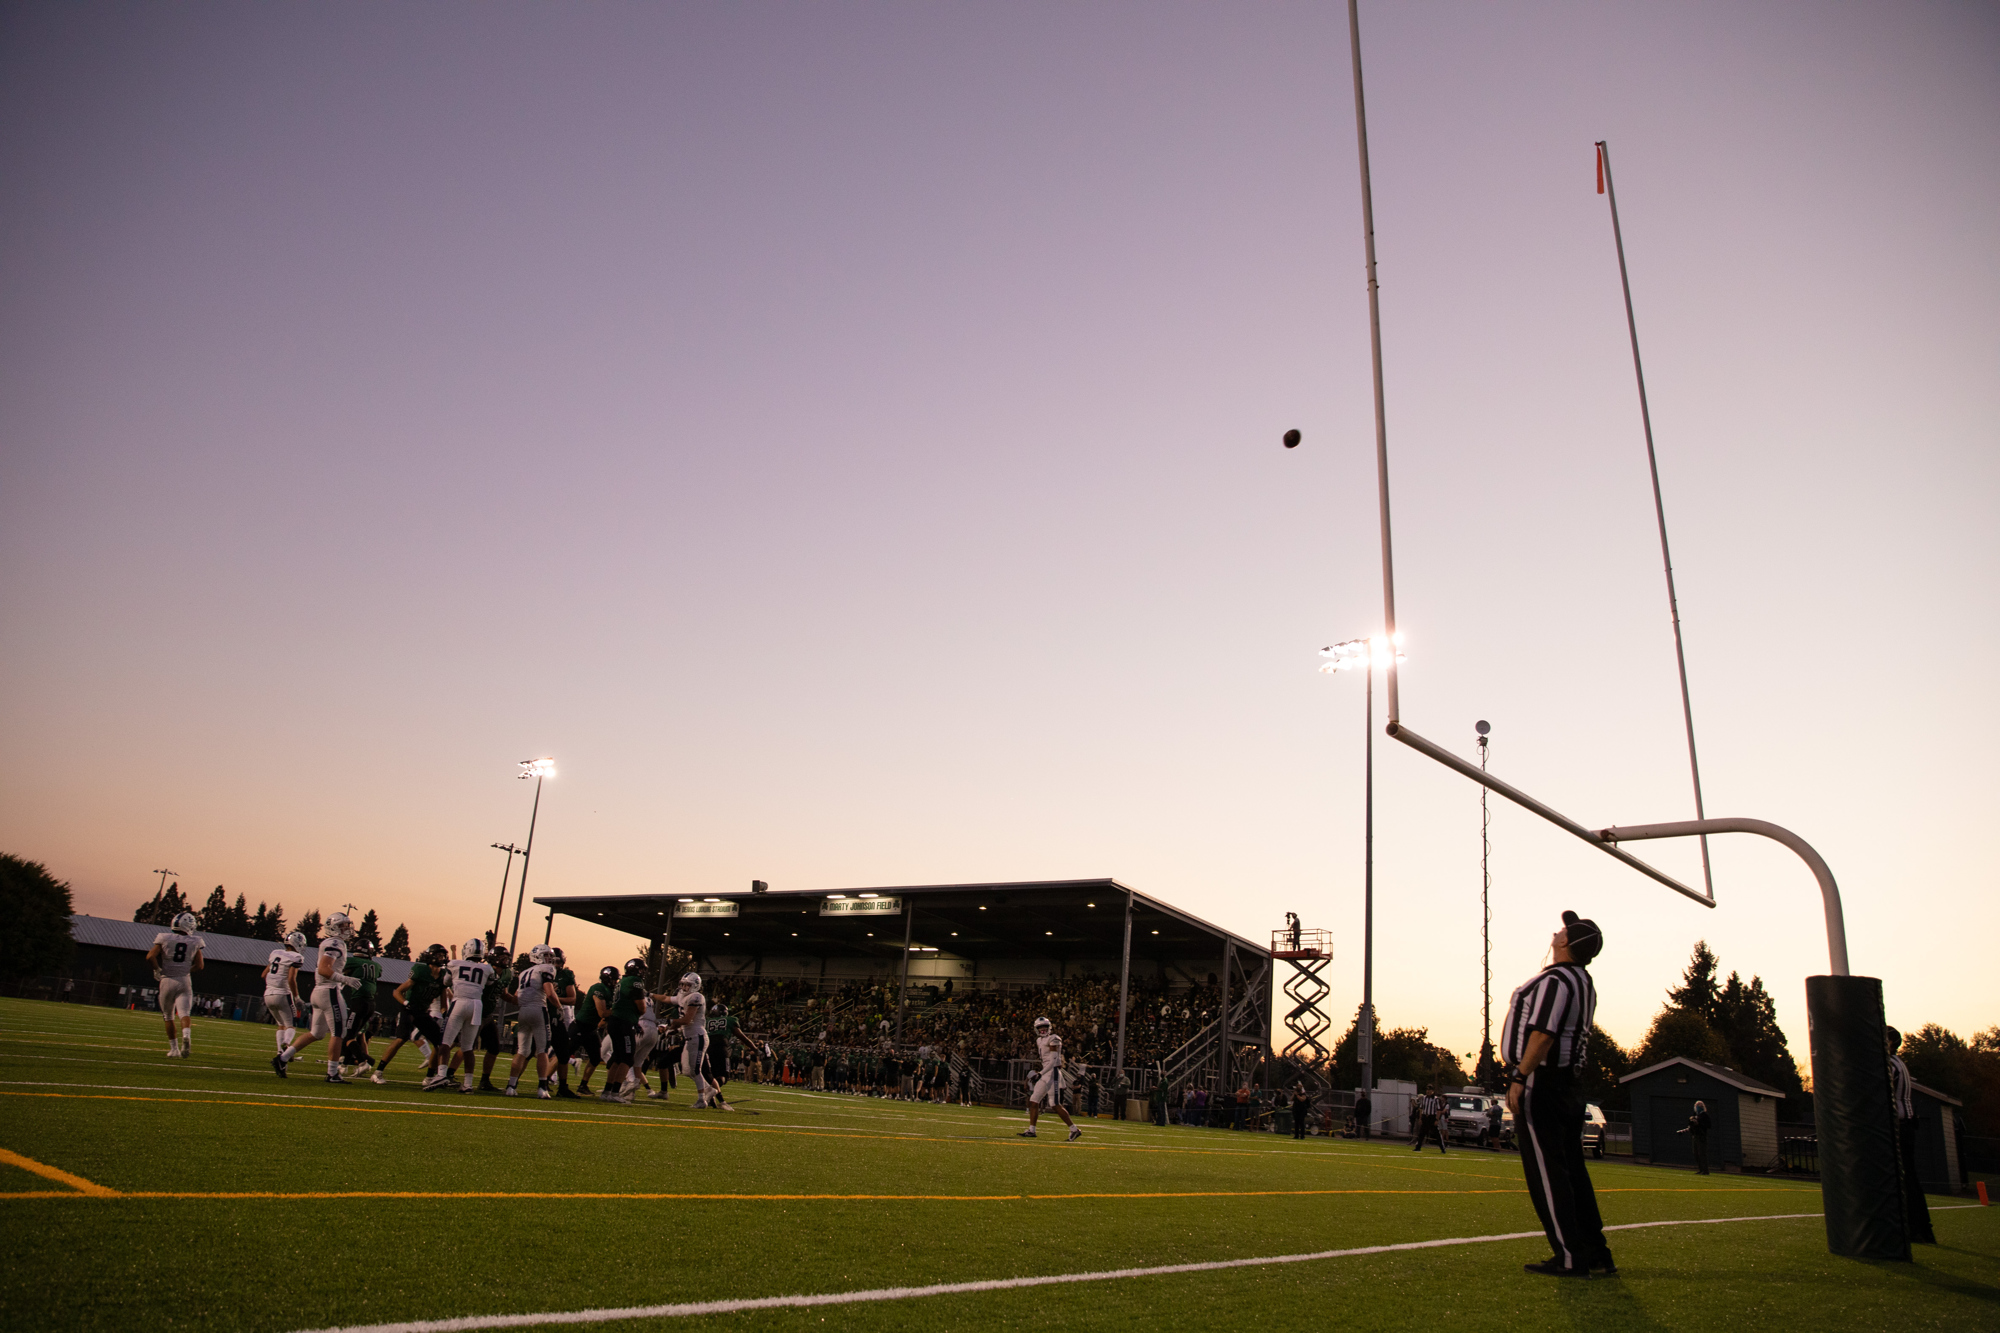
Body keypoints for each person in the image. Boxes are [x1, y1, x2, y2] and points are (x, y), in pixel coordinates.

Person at [1502, 909, 1611, 1278]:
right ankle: (1596, 1252)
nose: (1556, 931)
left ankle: (1569, 1255)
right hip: (1569, 1086)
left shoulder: (1556, 982)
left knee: (1548, 1174)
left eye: (1564, 930)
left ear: (1566, 942)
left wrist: (1519, 1075)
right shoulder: (1584, 981)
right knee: (1572, 1172)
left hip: (1543, 1082)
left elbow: (1543, 1034)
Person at [272, 912, 361, 1083]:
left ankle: (282, 1059)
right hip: (329, 991)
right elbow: (323, 969)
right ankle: (333, 1073)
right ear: (334, 927)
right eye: (343, 926)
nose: (347, 929)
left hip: (319, 992)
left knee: (316, 1033)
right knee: (338, 1033)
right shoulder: (335, 943)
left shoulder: (330, 942)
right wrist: (345, 979)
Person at [1887, 1027, 1936, 1244]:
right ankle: (1919, 1228)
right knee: (1907, 1178)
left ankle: (1917, 1228)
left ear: (1889, 1043)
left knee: (1904, 1178)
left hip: (1899, 1126)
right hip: (1905, 1124)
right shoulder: (1898, 1062)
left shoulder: (1889, 1064)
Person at [376, 943, 447, 1084]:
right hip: (409, 1008)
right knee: (401, 1038)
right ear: (431, 956)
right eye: (439, 955)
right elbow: (397, 991)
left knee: (439, 1043)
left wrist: (445, 1015)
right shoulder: (421, 970)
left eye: (443, 955)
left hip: (422, 1012)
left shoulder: (443, 975)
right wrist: (406, 1003)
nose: (442, 958)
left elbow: (444, 1003)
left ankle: (429, 1077)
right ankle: (378, 1072)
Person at [429, 938, 492, 1093]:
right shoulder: (487, 968)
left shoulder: (454, 964)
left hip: (459, 1002)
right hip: (477, 1005)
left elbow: (446, 982)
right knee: (468, 1047)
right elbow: (490, 983)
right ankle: (468, 1084)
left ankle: (441, 1074)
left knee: (445, 1042)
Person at [146, 911, 205, 1058]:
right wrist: (187, 970)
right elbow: (200, 966)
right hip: (184, 980)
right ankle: (186, 1035)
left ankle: (174, 1049)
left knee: (168, 1016)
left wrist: (157, 969)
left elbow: (150, 956)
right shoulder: (195, 941)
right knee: (184, 1013)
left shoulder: (164, 937)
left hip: (167, 980)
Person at [505, 945, 560, 1098]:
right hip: (538, 1010)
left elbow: (516, 997)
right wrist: (559, 1007)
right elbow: (549, 993)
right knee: (542, 1050)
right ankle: (542, 1088)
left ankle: (511, 1086)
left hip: (523, 1011)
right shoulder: (546, 969)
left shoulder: (524, 973)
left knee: (522, 1050)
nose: (549, 958)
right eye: (546, 955)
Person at [1019, 1016, 1081, 1141]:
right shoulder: (1039, 1041)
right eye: (1040, 1028)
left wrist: (1040, 1073)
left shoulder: (1054, 1038)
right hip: (1045, 1073)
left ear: (1049, 1027)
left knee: (1054, 1104)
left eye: (1044, 1027)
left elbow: (1053, 1061)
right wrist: (1041, 1073)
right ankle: (1032, 1130)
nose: (1042, 1030)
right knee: (1034, 1100)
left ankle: (1074, 1129)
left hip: (1052, 1073)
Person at [597, 958, 648, 1104]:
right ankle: (615, 1092)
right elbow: (641, 1007)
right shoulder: (635, 981)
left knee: (618, 1057)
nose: (643, 972)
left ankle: (607, 1091)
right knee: (627, 1058)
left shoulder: (623, 982)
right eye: (641, 969)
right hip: (624, 1023)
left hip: (615, 1021)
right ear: (636, 969)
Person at [339, 938, 383, 1079]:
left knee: (349, 1036)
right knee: (354, 1034)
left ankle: (365, 1062)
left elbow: (339, 966)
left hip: (359, 1002)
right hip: (370, 1003)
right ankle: (344, 1065)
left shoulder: (352, 961)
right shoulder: (376, 965)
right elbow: (378, 973)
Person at [475, 945, 514, 1094]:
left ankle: (485, 1080)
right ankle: (448, 1074)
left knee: (494, 1048)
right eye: (502, 958)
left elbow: (503, 993)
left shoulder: (506, 973)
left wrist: (517, 1000)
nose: (505, 961)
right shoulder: (484, 971)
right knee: (465, 1046)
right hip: (476, 1013)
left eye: (506, 958)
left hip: (488, 1015)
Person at [262, 930, 307, 1056]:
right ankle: (286, 1045)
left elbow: (264, 974)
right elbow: (291, 979)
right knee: (291, 1025)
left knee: (281, 1025)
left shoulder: (275, 953)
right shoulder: (296, 957)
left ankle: (279, 1052)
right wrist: (297, 997)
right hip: (282, 994)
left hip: (268, 994)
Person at [1679, 1100, 1712, 1174]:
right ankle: (1700, 1169)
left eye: (1699, 1106)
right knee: (1696, 1153)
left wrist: (1699, 1124)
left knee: (1702, 1153)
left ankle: (1705, 1170)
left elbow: (1709, 1125)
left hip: (1701, 1136)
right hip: (1695, 1136)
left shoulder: (1704, 1116)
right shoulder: (1695, 1115)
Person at [1413, 1087, 1447, 1154]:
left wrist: (1437, 1119)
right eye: (1427, 1090)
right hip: (1425, 1117)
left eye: (1429, 1090)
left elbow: (1438, 1110)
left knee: (1436, 1134)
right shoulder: (1424, 1098)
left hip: (1432, 1117)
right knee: (1421, 1133)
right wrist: (1420, 1118)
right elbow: (1421, 1109)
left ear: (1432, 1091)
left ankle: (1442, 1149)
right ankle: (1418, 1147)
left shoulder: (1436, 1099)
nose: (1428, 1091)